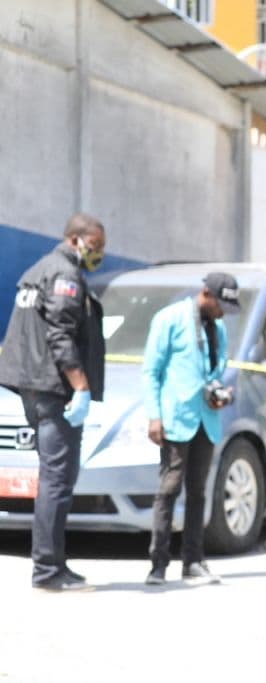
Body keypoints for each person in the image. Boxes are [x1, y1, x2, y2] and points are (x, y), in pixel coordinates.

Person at [0, 213, 107, 591]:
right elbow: (60, 335)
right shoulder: (63, 275)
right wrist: (80, 385)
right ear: (77, 240)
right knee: (57, 481)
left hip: (33, 387)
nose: (100, 254)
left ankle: (53, 564)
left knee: (54, 478)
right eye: (97, 246)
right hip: (54, 390)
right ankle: (48, 570)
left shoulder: (36, 270)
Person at [141, 272, 241, 586]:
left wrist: (219, 394)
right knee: (168, 490)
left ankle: (193, 561)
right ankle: (158, 564)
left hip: (206, 419)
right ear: (207, 294)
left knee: (198, 492)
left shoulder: (218, 327)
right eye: (221, 304)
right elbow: (151, 371)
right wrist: (154, 416)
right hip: (175, 418)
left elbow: (216, 369)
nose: (224, 311)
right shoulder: (169, 319)